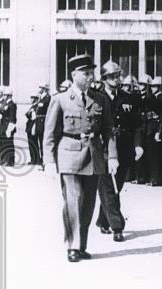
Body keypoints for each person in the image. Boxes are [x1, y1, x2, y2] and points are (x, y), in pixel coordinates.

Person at [43, 54, 118, 263]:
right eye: (85, 73)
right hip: (68, 154)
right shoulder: (60, 99)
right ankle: (72, 246)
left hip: (93, 155)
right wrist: (48, 161)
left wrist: (112, 156)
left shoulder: (101, 99)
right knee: (73, 200)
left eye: (91, 73)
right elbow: (49, 133)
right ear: (74, 74)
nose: (90, 77)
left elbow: (109, 130)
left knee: (89, 203)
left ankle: (81, 245)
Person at [92, 61, 140, 241]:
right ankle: (117, 225)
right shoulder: (96, 97)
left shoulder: (128, 98)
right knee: (108, 187)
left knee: (116, 187)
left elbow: (137, 124)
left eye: (118, 75)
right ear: (104, 79)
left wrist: (138, 144)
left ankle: (102, 221)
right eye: (112, 76)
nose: (116, 79)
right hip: (103, 149)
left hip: (124, 148)